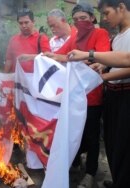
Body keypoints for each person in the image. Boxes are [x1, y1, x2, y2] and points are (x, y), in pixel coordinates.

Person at [46, 3, 110, 188]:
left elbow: (102, 56)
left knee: (92, 135)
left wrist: (81, 57)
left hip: (93, 95)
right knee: (76, 132)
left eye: (83, 18)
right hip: (74, 96)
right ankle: (75, 162)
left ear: (92, 18)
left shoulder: (100, 34)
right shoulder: (74, 38)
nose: (79, 22)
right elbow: (60, 55)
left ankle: (90, 173)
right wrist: (40, 57)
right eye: (76, 19)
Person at [73, 1, 130, 187]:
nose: (105, 18)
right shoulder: (117, 37)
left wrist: (93, 59)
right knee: (112, 142)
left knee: (123, 145)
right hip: (112, 95)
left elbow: (128, 61)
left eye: (106, 13)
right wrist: (102, 66)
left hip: (126, 95)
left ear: (121, 7)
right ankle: (118, 179)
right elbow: (113, 59)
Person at [4, 8, 50, 73]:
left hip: (35, 79)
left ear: (33, 22)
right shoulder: (13, 40)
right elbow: (9, 60)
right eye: (21, 23)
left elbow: (48, 58)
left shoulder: (41, 38)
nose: (24, 26)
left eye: (26, 22)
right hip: (17, 80)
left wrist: (30, 57)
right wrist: (4, 78)